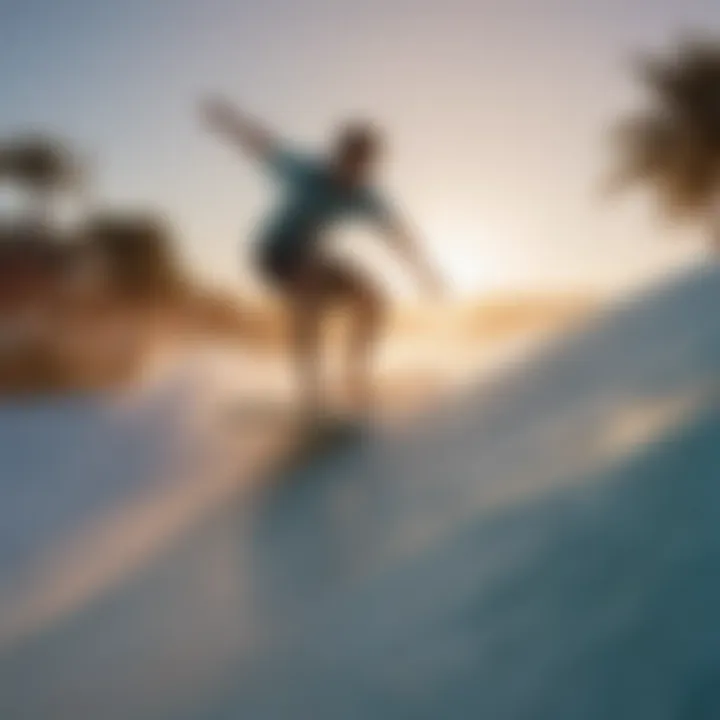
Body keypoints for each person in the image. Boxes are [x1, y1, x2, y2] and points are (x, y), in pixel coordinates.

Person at [201, 96, 442, 428]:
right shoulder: (305, 171)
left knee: (373, 299)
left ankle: (354, 378)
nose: (355, 170)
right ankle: (311, 392)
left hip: (313, 257)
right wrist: (227, 119)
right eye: (350, 160)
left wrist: (426, 274)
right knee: (310, 285)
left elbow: (398, 235)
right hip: (273, 252)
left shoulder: (366, 196)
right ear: (337, 156)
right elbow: (262, 143)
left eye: (364, 164)